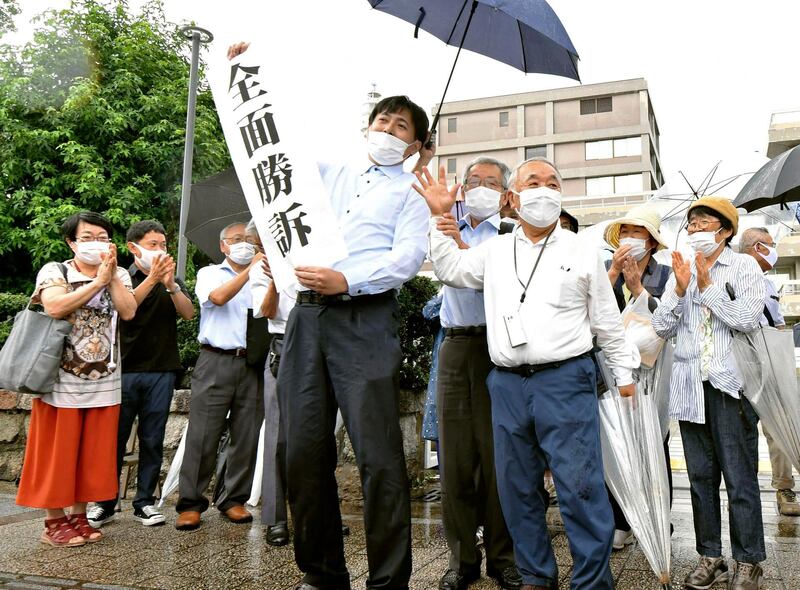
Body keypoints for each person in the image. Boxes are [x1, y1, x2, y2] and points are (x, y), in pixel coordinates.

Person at [416, 157, 636, 590]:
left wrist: (623, 375)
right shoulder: (495, 250)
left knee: (580, 489)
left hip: (566, 379)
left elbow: (607, 323)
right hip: (507, 383)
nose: (544, 189)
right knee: (516, 489)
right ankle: (537, 575)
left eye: (553, 182)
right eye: (533, 182)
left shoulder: (582, 249)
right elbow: (451, 270)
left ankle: (591, 582)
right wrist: (440, 215)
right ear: (513, 199)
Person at [652, 197, 766, 590]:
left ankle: (749, 561)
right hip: (689, 388)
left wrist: (707, 286)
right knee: (700, 479)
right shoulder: (678, 269)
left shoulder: (744, 265)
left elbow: (747, 318)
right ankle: (710, 556)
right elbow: (661, 327)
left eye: (703, 223)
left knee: (740, 479)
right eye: (691, 224)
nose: (695, 230)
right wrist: (681, 289)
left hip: (729, 386)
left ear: (725, 231)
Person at [16, 211, 136, 547]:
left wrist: (109, 276)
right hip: (61, 379)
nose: (95, 243)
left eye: (102, 237)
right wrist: (97, 282)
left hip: (105, 379)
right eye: (87, 237)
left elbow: (128, 311)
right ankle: (53, 520)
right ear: (71, 242)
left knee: (92, 454)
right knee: (58, 452)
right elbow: (54, 307)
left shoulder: (121, 274)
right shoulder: (56, 271)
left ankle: (79, 515)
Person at [433, 156, 521, 590]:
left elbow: (506, 281)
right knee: (454, 459)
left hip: (499, 347)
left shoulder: (511, 235)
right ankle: (461, 559)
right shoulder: (443, 220)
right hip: (456, 345)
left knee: (499, 458)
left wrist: (464, 253)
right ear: (463, 188)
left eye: (492, 182)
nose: (481, 187)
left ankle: (502, 558)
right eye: (474, 180)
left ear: (506, 193)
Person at [88, 220, 195, 528]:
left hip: (161, 370)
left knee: (152, 439)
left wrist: (171, 284)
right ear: (133, 248)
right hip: (122, 370)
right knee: (114, 440)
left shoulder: (172, 280)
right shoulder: (119, 276)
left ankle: (144, 502)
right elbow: (127, 309)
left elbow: (188, 314)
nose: (160, 251)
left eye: (163, 245)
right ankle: (105, 503)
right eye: (152, 245)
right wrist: (152, 278)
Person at [174, 222, 265, 531]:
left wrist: (267, 275)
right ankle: (190, 503)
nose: (245, 244)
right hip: (215, 360)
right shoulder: (209, 273)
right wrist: (249, 272)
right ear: (224, 246)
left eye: (249, 240)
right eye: (237, 240)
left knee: (246, 434)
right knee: (203, 434)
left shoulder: (263, 275)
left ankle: (233, 499)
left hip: (252, 363)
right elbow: (217, 298)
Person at [602, 204, 674, 549]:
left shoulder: (667, 275)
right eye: (626, 233)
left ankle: (660, 517)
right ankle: (620, 520)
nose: (631, 240)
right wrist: (616, 274)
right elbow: (592, 307)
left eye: (638, 233)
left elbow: (670, 320)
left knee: (654, 445)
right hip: (613, 373)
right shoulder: (606, 269)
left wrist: (641, 291)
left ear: (653, 242)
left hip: (654, 373)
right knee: (617, 445)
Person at [740, 227, 799, 517]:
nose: (774, 251)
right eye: (771, 245)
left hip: (770, 354)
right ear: (758, 247)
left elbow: (775, 321)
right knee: (744, 429)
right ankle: (746, 491)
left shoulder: (767, 282)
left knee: (778, 425)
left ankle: (784, 487)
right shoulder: (736, 275)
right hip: (744, 356)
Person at [247, 220, 295, 547]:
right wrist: (276, 280)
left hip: (319, 346)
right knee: (277, 437)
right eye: (257, 243)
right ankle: (276, 519)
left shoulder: (307, 256)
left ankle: (317, 513)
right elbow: (265, 310)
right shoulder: (259, 271)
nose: (261, 248)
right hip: (282, 347)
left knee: (318, 439)